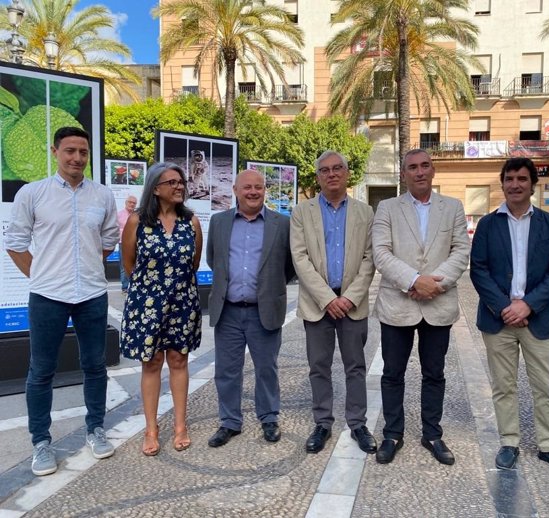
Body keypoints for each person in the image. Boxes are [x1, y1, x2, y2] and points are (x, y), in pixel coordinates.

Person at [5, 127, 119, 476]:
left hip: (91, 294)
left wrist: (84, 267)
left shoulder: (101, 196)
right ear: (55, 151)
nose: (77, 158)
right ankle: (41, 442)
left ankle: (95, 428)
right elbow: (15, 242)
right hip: (47, 297)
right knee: (41, 370)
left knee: (95, 365)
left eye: (83, 152)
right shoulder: (33, 193)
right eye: (70, 150)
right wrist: (42, 275)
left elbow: (109, 239)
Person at [469, 157, 549, 477]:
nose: (515, 184)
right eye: (509, 179)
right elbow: (479, 270)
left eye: (521, 178)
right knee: (503, 386)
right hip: (497, 319)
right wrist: (504, 306)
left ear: (533, 184)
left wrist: (528, 305)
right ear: (502, 183)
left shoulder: (548, 223)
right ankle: (509, 442)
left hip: (537, 318)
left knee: (547, 383)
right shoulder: (489, 225)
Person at [372, 149, 470, 465]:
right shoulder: (386, 207)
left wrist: (434, 285)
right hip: (398, 303)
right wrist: (415, 280)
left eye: (424, 165)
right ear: (404, 174)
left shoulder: (453, 207)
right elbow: (381, 253)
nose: (419, 172)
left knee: (434, 373)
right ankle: (392, 433)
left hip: (438, 304)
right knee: (392, 373)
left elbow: (460, 251)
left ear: (433, 170)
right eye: (412, 167)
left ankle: (432, 433)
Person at [290, 151, 376, 455]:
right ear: (318, 177)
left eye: (337, 168)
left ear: (347, 172)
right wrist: (328, 299)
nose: (331, 174)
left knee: (355, 366)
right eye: (324, 170)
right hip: (318, 304)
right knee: (319, 366)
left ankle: (357, 423)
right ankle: (322, 423)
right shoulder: (302, 212)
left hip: (353, 303)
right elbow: (299, 258)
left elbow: (370, 259)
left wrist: (349, 297)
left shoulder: (365, 213)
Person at [206, 170, 294, 447]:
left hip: (264, 309)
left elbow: (289, 266)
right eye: (247, 187)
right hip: (228, 310)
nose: (253, 192)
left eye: (258, 187)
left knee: (267, 368)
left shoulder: (282, 224)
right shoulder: (219, 222)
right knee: (227, 370)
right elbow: (213, 259)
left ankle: (269, 417)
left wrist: (269, 288)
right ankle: (229, 421)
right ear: (235, 190)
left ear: (265, 190)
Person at [119, 162, 202, 456]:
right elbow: (129, 265)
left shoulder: (191, 222)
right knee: (151, 362)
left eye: (181, 182)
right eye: (171, 182)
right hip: (146, 303)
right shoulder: (137, 221)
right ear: (155, 189)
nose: (179, 186)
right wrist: (150, 290)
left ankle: (181, 426)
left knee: (179, 360)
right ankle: (151, 429)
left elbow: (193, 263)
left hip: (182, 300)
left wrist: (173, 287)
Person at [117, 195, 137, 292]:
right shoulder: (119, 214)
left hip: (136, 243)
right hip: (123, 243)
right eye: (130, 202)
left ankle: (134, 285)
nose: (132, 204)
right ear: (126, 203)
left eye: (134, 203)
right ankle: (125, 287)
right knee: (124, 265)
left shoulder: (137, 215)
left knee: (136, 264)